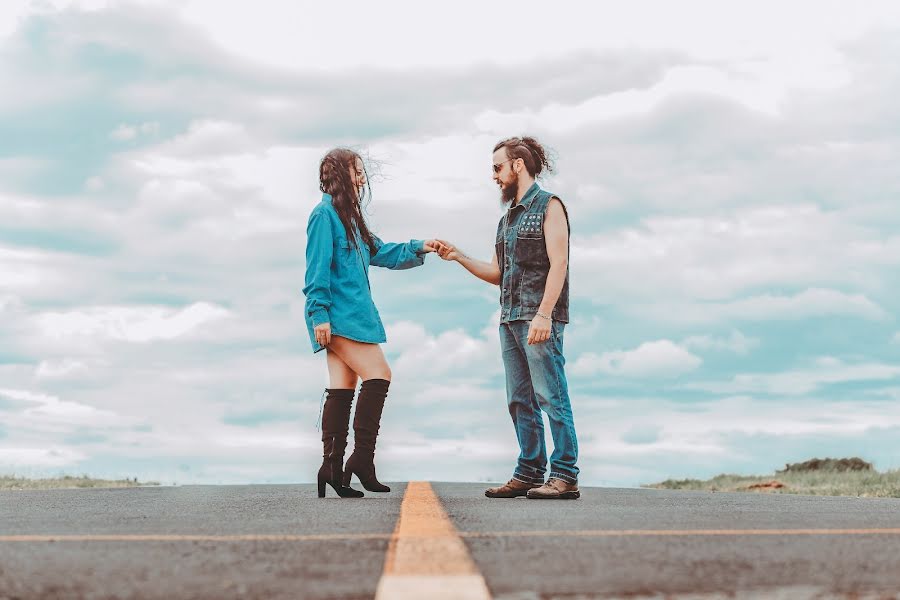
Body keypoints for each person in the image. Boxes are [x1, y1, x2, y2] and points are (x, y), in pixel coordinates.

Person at [437, 136, 580, 500]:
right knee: (519, 399)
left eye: (498, 168)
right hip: (510, 318)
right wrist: (459, 257)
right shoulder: (506, 221)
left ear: (518, 164)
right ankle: (530, 471)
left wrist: (544, 314)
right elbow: (498, 273)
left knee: (551, 394)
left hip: (539, 316)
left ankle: (564, 474)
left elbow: (559, 262)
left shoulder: (550, 206)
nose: (495, 176)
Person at [304, 148, 445, 498]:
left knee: (342, 387)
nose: (362, 177)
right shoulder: (324, 216)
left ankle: (332, 467)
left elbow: (379, 251)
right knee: (379, 374)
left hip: (352, 315)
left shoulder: (350, 218)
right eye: (357, 171)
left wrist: (420, 247)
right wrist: (319, 314)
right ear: (340, 175)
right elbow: (316, 270)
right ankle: (362, 460)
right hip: (338, 316)